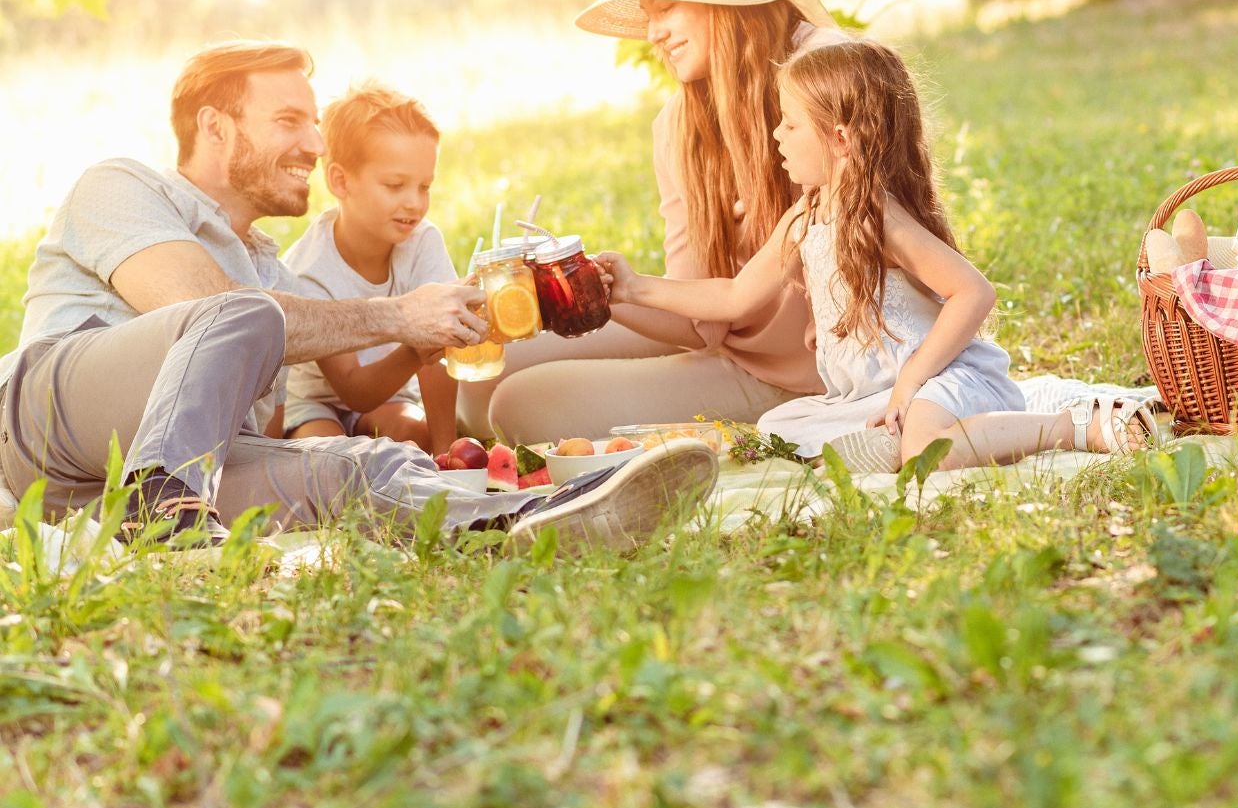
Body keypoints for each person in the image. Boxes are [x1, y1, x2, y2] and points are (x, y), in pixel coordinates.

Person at [0, 40, 714, 550]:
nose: (314, 142)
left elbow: (262, 415)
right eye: (289, 121)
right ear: (214, 126)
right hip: (46, 422)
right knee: (242, 311)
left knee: (358, 467)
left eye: (313, 122)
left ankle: (546, 513)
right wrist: (398, 315)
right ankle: (169, 511)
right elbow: (197, 306)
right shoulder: (122, 186)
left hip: (133, 486)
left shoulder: (269, 271)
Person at [595, 39, 1165, 473]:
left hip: (942, 373)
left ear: (841, 139)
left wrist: (915, 378)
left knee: (925, 450)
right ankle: (920, 430)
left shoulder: (878, 217)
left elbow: (974, 293)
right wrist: (631, 287)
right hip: (874, 392)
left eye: (791, 123)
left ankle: (1076, 428)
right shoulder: (805, 216)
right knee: (781, 427)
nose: (776, 136)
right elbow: (733, 295)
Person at [459, 0, 846, 445]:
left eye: (666, 9)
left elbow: (899, 197)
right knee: (485, 376)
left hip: (811, 374)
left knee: (520, 407)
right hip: (726, 339)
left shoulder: (826, 71)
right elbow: (696, 321)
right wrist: (607, 290)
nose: (655, 33)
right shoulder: (680, 125)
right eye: (649, 15)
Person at [281, 83, 459, 454]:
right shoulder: (307, 272)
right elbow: (354, 390)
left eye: (424, 186)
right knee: (331, 460)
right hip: (316, 402)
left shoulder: (422, 242)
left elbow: (438, 360)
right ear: (341, 181)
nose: (414, 203)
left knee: (417, 440)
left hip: (390, 395)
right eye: (395, 185)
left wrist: (447, 454)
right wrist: (420, 344)